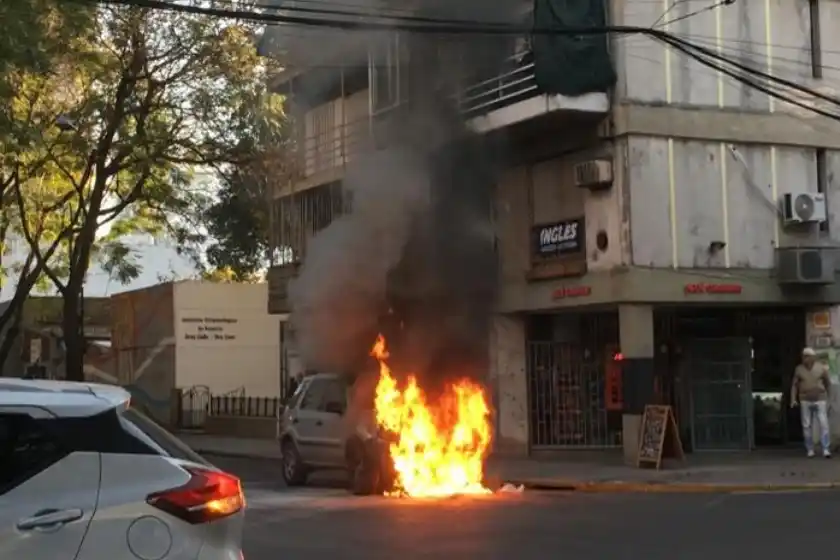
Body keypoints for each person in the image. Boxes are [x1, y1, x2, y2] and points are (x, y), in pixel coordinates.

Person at [791, 347, 832, 458]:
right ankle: (810, 449)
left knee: (823, 424)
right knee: (806, 425)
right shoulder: (799, 369)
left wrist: (830, 398)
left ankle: (826, 449)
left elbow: (828, 383)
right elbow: (794, 385)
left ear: (813, 358)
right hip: (805, 399)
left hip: (820, 399)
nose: (805, 359)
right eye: (804, 356)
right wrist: (793, 399)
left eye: (808, 356)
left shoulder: (821, 368)